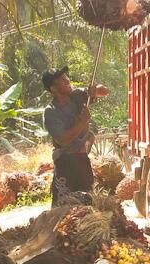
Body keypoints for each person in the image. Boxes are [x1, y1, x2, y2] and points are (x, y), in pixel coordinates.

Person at [42, 67, 108, 206]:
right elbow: (63, 140)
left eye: (66, 76)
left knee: (89, 204)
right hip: (65, 162)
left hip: (83, 159)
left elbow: (104, 91)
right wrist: (82, 122)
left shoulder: (77, 95)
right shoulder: (51, 112)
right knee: (63, 206)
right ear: (53, 89)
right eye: (61, 79)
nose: (67, 80)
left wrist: (95, 90)